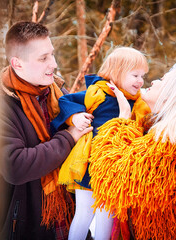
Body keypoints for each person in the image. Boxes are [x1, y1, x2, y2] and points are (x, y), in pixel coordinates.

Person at [88, 68, 176, 239]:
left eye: (162, 79)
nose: (153, 81)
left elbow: (112, 177)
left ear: (172, 96)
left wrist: (122, 120)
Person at [0, 21, 92, 240]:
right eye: (43, 58)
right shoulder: (0, 107)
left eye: (52, 54)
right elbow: (15, 165)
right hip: (27, 226)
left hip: (71, 217)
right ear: (17, 64)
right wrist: (69, 136)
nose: (54, 63)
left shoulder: (59, 93)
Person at [51, 47, 150, 240]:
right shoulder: (98, 93)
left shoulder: (137, 103)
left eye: (143, 76)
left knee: (107, 216)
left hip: (114, 169)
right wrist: (76, 117)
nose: (140, 81)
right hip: (88, 164)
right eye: (135, 75)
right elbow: (66, 101)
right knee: (84, 214)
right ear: (117, 73)